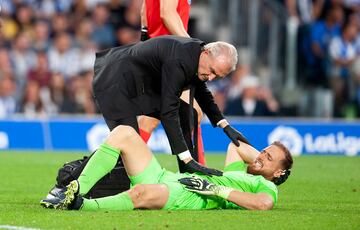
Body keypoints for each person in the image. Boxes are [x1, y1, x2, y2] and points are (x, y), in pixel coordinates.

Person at [92, 35, 246, 176]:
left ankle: (189, 176)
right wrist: (187, 158)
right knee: (127, 149)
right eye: (212, 71)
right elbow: (168, 112)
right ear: (206, 52)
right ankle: (72, 179)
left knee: (187, 113)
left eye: (217, 76)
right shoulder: (179, 60)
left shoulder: (197, 56)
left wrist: (224, 125)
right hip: (114, 81)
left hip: (137, 84)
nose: (211, 78)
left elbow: (202, 91)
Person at [40, 125, 293, 211]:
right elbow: (236, 147)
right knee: (124, 133)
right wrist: (263, 158)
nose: (260, 157)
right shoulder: (240, 171)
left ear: (279, 173)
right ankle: (75, 189)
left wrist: (216, 190)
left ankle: (81, 205)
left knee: (141, 195)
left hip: (192, 196)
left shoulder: (267, 185)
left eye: (269, 159)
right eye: (263, 151)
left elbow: (263, 204)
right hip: (170, 177)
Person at [139, 0, 207, 167]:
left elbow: (144, 11)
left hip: (157, 50)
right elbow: (167, 14)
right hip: (169, 53)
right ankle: (198, 175)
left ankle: (119, 168)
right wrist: (193, 46)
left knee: (191, 114)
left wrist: (144, 40)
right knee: (189, 114)